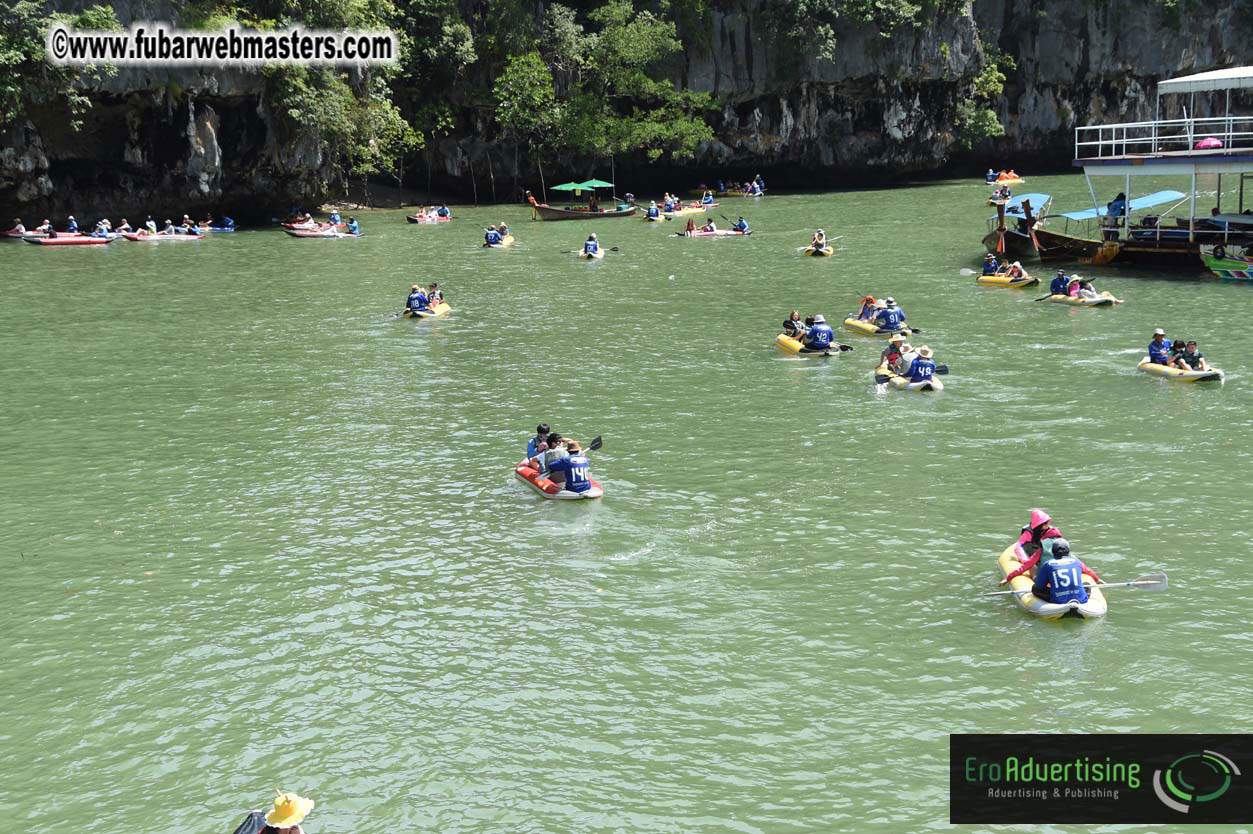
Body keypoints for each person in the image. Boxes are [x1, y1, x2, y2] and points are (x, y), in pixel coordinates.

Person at [1031, 539, 1098, 605]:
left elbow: (1039, 586)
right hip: (1080, 599)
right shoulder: (1076, 561)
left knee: (1035, 588)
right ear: (1068, 551)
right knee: (1087, 584)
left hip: (1058, 600)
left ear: (1052, 551)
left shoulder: (1048, 564)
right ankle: (1081, 597)